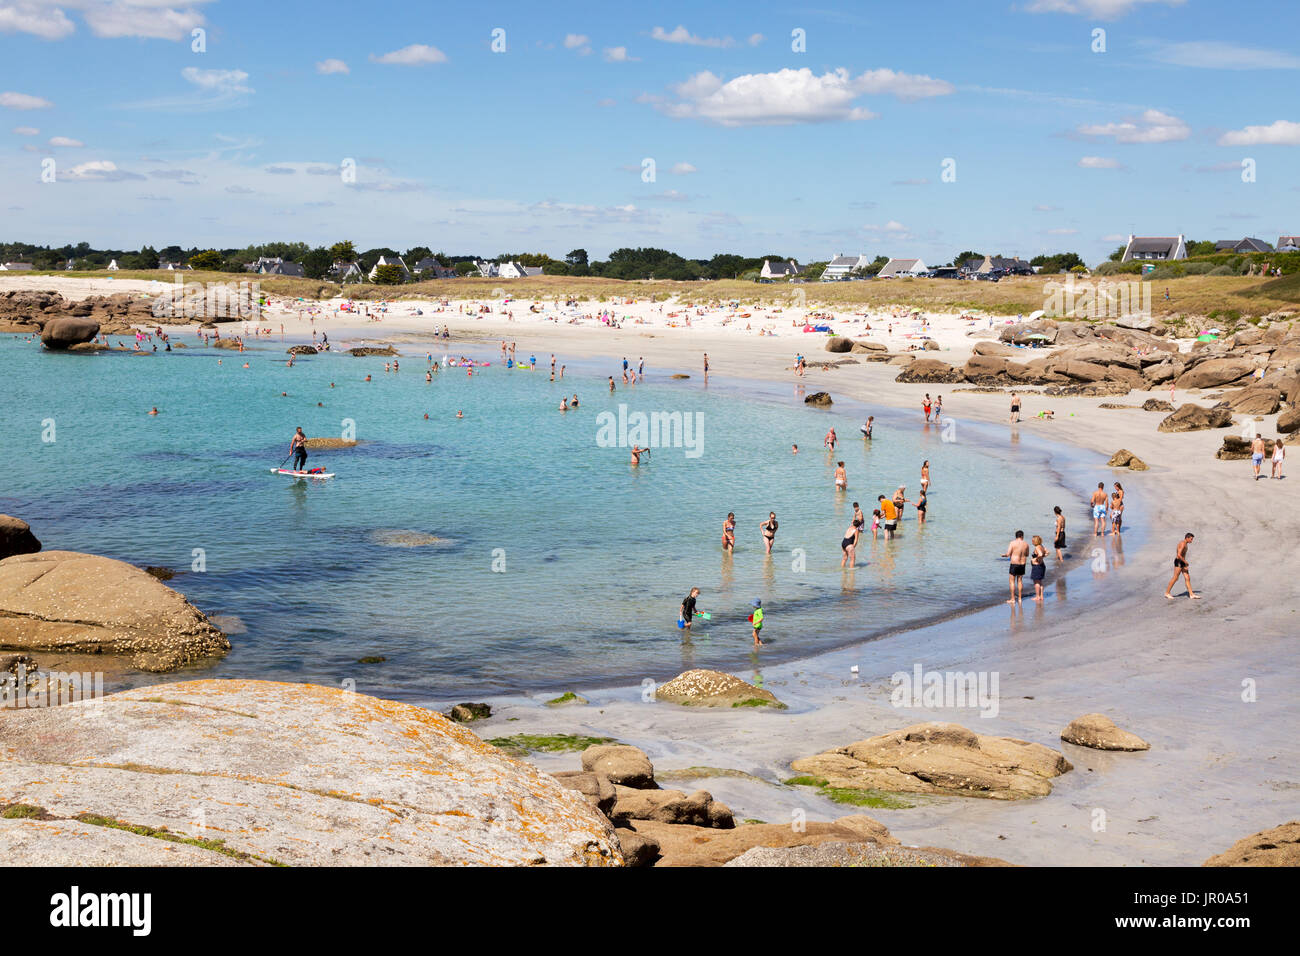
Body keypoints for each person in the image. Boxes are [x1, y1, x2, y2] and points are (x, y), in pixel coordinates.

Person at [1164, 533, 1199, 600]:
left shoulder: (1185, 544)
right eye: (1191, 539)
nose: (1192, 541)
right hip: (1179, 562)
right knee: (1175, 578)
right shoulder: (1182, 543)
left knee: (1187, 577)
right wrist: (1185, 562)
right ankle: (1167, 593)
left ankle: (1191, 594)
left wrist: (1184, 563)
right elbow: (1179, 555)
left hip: (1182, 562)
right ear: (1187, 538)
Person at [1002, 530, 1029, 604]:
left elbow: (1008, 554)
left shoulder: (1012, 543)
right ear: (1022, 536)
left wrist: (1004, 555)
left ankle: (1013, 599)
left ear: (1016, 536)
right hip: (1022, 564)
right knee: (1020, 581)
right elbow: (1027, 554)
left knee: (1012, 581)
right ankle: (1020, 598)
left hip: (1014, 563)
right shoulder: (1026, 544)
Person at [1030, 535, 1047, 601]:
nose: (1032, 541)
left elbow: (1040, 554)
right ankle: (1041, 596)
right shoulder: (1041, 546)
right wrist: (1042, 557)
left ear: (1035, 541)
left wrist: (1035, 559)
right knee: (1040, 582)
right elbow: (1047, 552)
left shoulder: (1037, 547)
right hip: (1042, 565)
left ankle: (1037, 597)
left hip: (1037, 566)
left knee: (1036, 582)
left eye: (1033, 540)